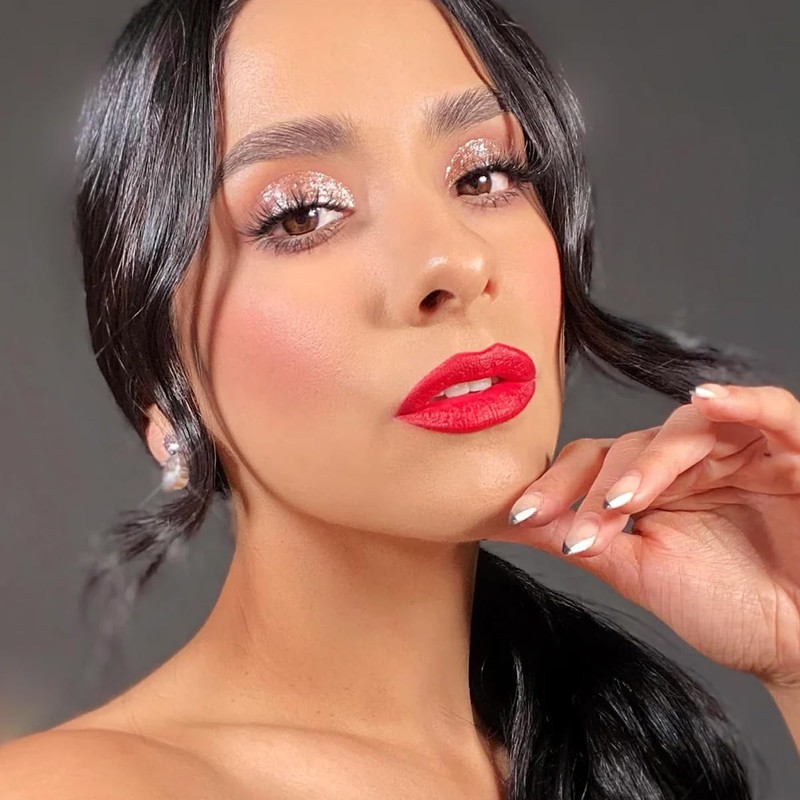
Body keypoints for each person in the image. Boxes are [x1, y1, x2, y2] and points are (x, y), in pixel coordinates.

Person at [2, 0, 799, 797]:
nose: (456, 260)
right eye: (304, 213)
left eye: (482, 175)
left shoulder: (627, 753)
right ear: (162, 384)